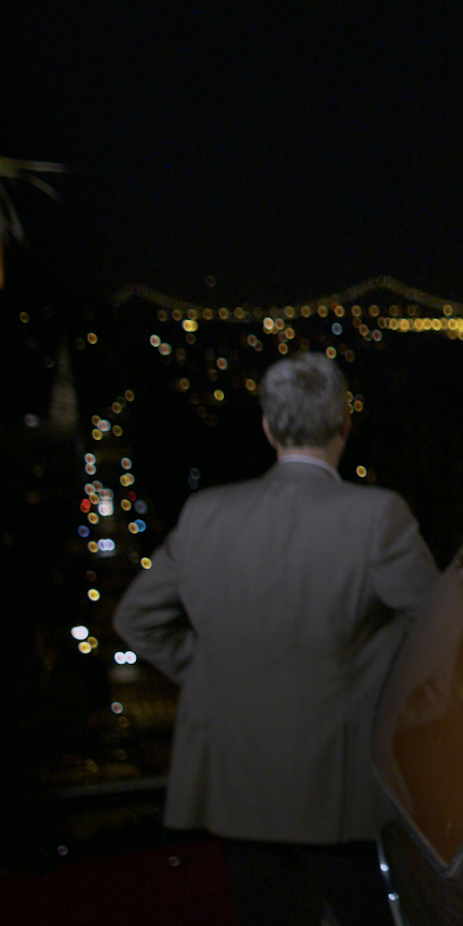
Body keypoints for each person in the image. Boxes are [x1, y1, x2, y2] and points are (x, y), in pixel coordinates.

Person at [115, 355, 438, 925]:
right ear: (344, 426)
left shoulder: (206, 514)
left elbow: (136, 618)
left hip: (238, 784)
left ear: (268, 428)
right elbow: (438, 628)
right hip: (339, 792)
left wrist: (204, 669)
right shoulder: (377, 516)